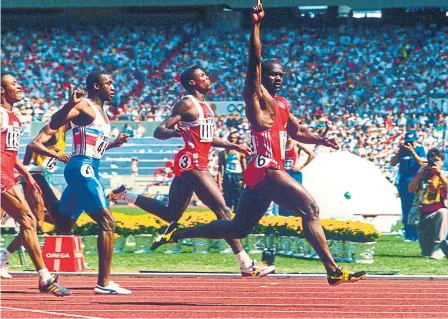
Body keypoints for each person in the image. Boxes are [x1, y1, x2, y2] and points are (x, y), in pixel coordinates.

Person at [151, 2, 366, 286]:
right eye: (272, 74)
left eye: (281, 75)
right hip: (267, 168)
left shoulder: (283, 104)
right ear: (261, 78)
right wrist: (256, 25)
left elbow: (298, 132)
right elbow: (255, 59)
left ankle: (176, 234)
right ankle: (333, 271)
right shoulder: (256, 97)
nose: (277, 78)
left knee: (239, 226)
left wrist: (323, 139)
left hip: (260, 174)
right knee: (310, 209)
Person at [108, 65, 275, 277]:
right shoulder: (188, 103)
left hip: (195, 162)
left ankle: (124, 195)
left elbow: (207, 138)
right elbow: (160, 131)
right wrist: (173, 132)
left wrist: (234, 146)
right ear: (193, 82)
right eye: (203, 76)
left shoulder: (206, 107)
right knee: (223, 211)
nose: (208, 78)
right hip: (193, 163)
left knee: (171, 214)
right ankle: (246, 264)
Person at [49, 71, 131, 294]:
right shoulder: (84, 105)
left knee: (64, 225)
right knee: (107, 222)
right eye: (108, 83)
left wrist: (114, 144)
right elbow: (55, 123)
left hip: (89, 165)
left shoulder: (103, 114)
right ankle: (104, 283)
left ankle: (48, 278)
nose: (113, 87)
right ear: (96, 86)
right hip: (81, 167)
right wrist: (68, 105)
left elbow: (96, 149)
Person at [0, 73, 71, 295]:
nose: (19, 86)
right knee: (29, 220)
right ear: (2, 90)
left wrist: (27, 174)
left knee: (30, 221)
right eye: (13, 84)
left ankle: (43, 277)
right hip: (1, 176)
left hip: (9, 175)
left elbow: (11, 153)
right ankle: (44, 277)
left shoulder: (15, 117)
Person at [0, 123, 71, 279]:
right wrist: (25, 171)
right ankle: (3, 257)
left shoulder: (64, 134)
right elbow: (31, 146)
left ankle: (4, 255)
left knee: (39, 223)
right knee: (35, 223)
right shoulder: (53, 130)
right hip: (36, 176)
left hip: (42, 177)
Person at [408, 148, 448, 259]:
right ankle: (432, 248)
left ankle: (440, 245)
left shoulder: (444, 174)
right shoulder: (422, 174)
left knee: (443, 213)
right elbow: (411, 189)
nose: (434, 163)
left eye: (436, 160)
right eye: (431, 160)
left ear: (442, 162)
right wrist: (420, 173)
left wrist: (439, 174)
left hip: (438, 213)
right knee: (426, 253)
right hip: (422, 215)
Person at [390, 130, 426, 241]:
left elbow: (422, 163)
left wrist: (412, 152)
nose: (409, 144)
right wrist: (399, 151)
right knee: (405, 208)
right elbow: (393, 163)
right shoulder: (402, 151)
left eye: (411, 142)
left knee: (414, 207)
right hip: (403, 181)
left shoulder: (420, 149)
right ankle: (408, 234)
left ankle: (416, 234)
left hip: (415, 181)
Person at [279, 136, 315, 216]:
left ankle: (297, 214)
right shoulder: (280, 144)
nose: (288, 138)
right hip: (284, 173)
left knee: (296, 194)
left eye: (290, 136)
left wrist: (301, 166)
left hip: (294, 174)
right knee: (282, 195)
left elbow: (312, 154)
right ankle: (283, 215)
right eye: (286, 135)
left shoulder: (296, 144)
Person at [217, 131, 247, 211]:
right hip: (228, 175)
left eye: (234, 138)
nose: (232, 139)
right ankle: (227, 217)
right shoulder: (222, 153)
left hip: (238, 176)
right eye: (230, 138)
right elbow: (220, 169)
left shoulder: (240, 153)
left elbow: (245, 167)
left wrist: (246, 180)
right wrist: (219, 183)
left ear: (236, 139)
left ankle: (237, 216)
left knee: (238, 197)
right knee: (227, 198)